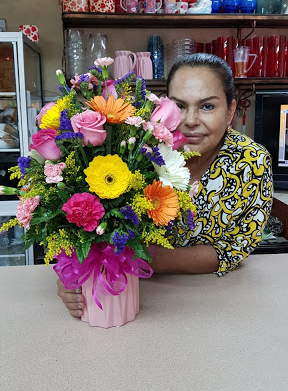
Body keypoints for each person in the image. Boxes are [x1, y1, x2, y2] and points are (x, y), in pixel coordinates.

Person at [57, 53, 273, 317]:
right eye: (180, 106)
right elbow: (78, 227)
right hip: (126, 297)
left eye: (207, 106)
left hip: (217, 303)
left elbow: (233, 249)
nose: (191, 120)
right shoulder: (134, 148)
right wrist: (73, 276)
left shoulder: (251, 162)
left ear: (230, 111)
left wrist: (145, 258)